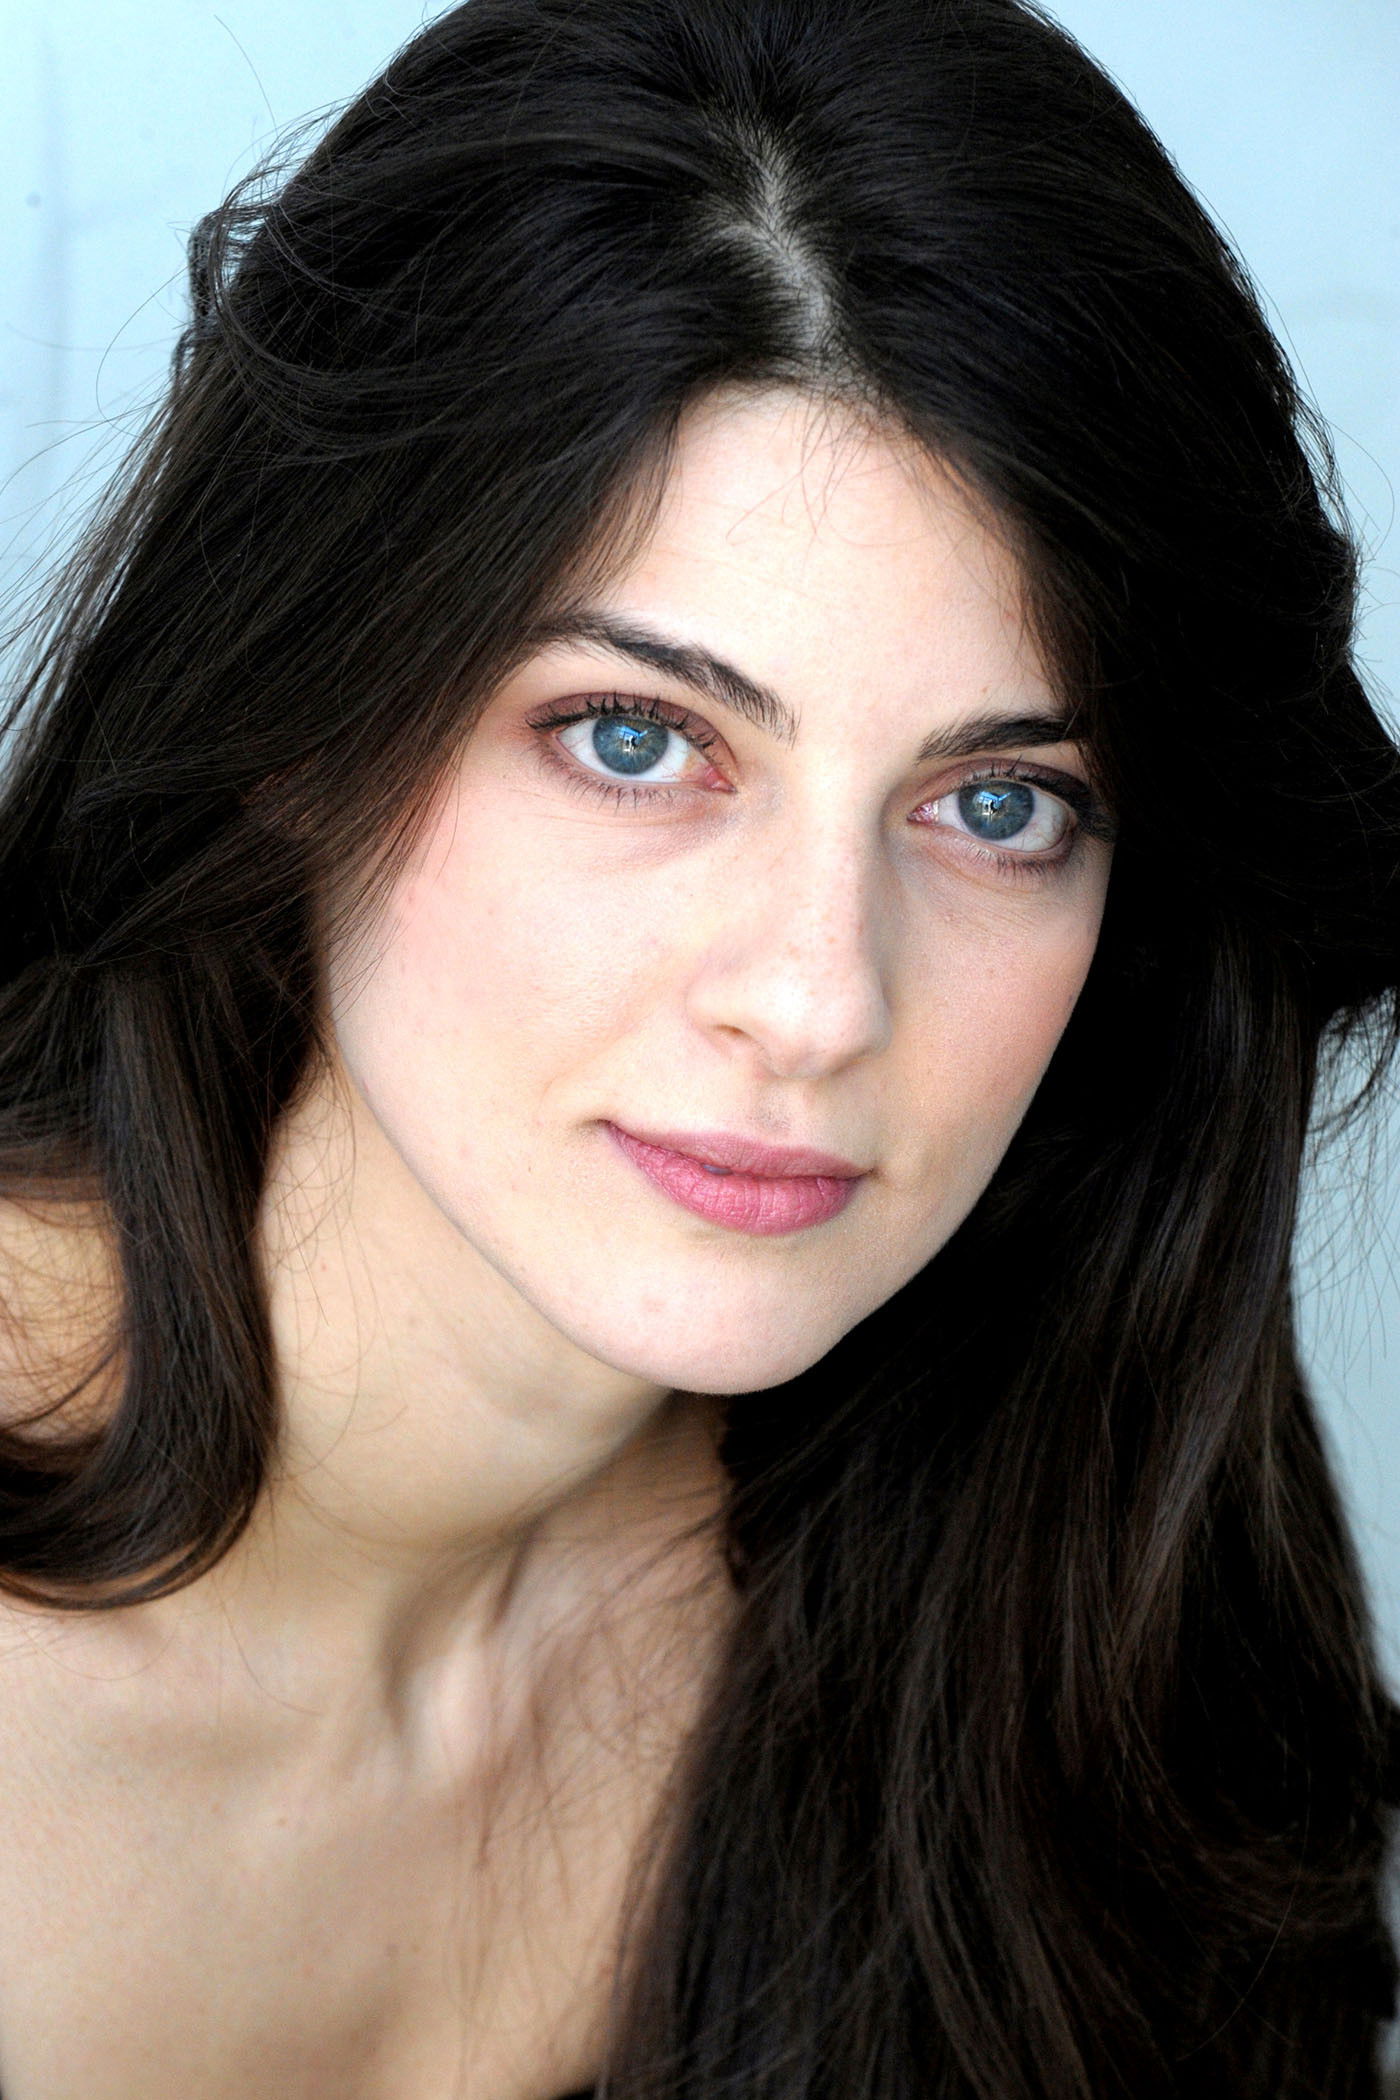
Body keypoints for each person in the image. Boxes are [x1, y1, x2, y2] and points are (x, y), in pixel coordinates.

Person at [0, 0, 1397, 2093]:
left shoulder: (1075, 1563)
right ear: (299, 710)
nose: (820, 1000)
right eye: (638, 741)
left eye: (998, 802)